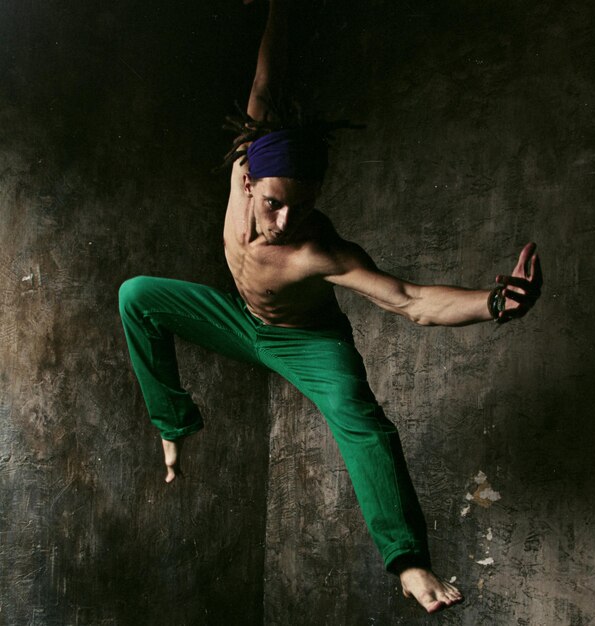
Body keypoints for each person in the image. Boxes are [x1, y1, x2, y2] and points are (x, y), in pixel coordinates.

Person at [118, 0, 542, 614]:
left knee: (362, 421)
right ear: (246, 179)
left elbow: (412, 301)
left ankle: (409, 564)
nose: (286, 221)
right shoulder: (247, 157)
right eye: (273, 204)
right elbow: (266, 80)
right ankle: (174, 425)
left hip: (309, 340)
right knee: (137, 296)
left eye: (302, 205)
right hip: (242, 321)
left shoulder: (318, 250)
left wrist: (497, 302)